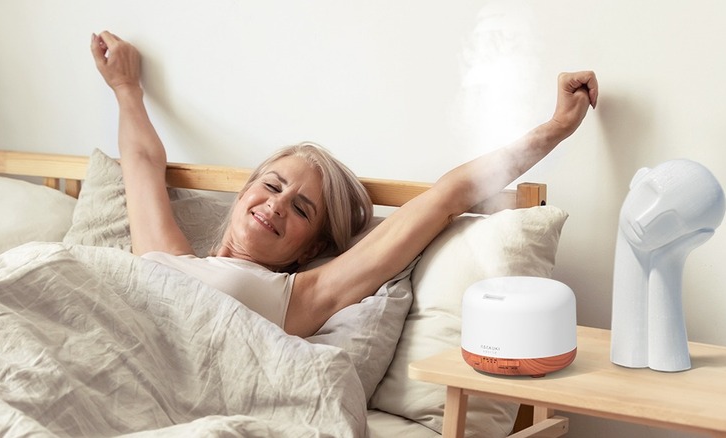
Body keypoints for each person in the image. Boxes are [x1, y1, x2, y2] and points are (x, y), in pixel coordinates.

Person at [90, 31, 598, 338]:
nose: (277, 204)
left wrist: (555, 127)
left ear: (308, 249)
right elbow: (139, 163)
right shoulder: (168, 256)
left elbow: (446, 198)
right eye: (271, 185)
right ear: (245, 192)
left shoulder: (298, 296)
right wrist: (125, 87)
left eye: (303, 208)